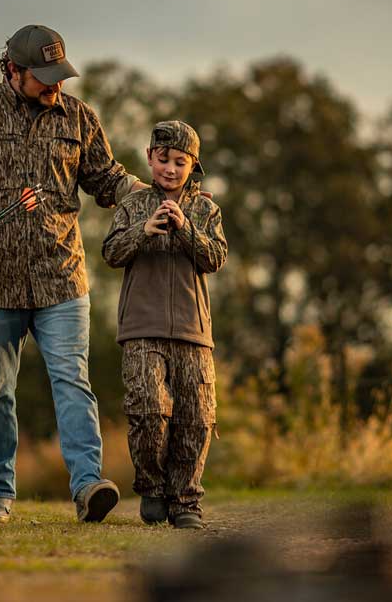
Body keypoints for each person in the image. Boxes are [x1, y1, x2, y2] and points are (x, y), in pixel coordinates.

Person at [0, 24, 145, 524]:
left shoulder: (80, 117)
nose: (54, 86)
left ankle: (88, 487)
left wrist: (157, 195)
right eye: (43, 77)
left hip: (61, 276)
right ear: (12, 71)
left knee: (73, 380)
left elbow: (108, 179)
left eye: (59, 76)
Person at [101, 121, 227, 529]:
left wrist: (186, 229)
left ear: (193, 165)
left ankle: (186, 500)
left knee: (196, 417)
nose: (170, 169)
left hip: (193, 332)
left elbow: (215, 259)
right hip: (141, 328)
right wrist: (144, 229)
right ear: (150, 157)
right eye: (163, 160)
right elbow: (111, 253)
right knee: (148, 410)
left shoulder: (206, 209)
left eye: (180, 162)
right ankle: (153, 490)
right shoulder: (133, 206)